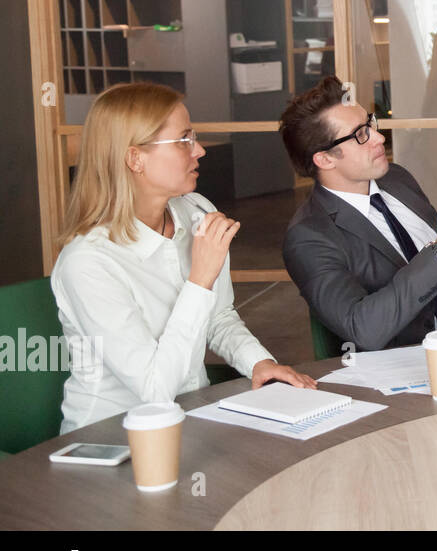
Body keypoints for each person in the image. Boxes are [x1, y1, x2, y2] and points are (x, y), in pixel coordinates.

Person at [53, 84, 314, 434]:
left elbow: (218, 315)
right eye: (184, 140)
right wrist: (200, 278)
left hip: (191, 420)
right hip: (110, 438)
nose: (201, 151)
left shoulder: (196, 211)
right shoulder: (87, 262)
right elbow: (156, 389)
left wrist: (259, 362)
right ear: (135, 158)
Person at [280, 76, 437, 352]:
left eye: (370, 123)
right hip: (415, 363)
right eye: (360, 134)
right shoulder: (309, 236)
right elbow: (363, 329)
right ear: (325, 159)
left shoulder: (396, 179)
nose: (378, 137)